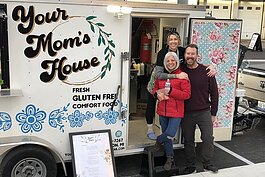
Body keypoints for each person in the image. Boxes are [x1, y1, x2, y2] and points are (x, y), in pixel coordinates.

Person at [145, 32, 214, 140]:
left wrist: (209, 66)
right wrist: (177, 75)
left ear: (179, 41)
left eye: (175, 39)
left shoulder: (182, 51)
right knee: (152, 102)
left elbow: (191, 61)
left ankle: (165, 138)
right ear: (167, 42)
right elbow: (159, 74)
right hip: (158, 79)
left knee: (169, 101)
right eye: (171, 40)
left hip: (171, 80)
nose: (173, 41)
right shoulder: (162, 53)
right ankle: (150, 128)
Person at [180, 44, 219, 174]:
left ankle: (207, 163)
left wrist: (213, 113)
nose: (190, 56)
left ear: (197, 56)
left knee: (208, 138)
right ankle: (190, 165)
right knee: (188, 140)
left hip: (204, 112)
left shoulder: (207, 71)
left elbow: (214, 94)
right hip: (186, 113)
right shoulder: (180, 71)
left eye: (192, 54)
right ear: (184, 55)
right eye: (188, 54)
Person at [152, 52, 191, 171]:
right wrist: (156, 94)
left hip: (176, 112)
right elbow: (155, 89)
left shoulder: (182, 76)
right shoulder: (161, 76)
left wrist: (171, 91)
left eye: (172, 60)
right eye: (168, 61)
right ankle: (170, 158)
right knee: (167, 137)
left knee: (169, 134)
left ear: (176, 61)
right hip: (162, 111)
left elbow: (187, 95)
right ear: (165, 63)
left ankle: (158, 141)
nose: (170, 63)